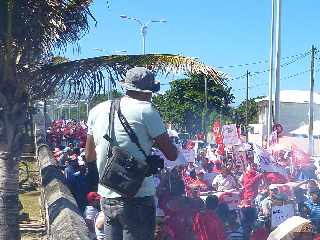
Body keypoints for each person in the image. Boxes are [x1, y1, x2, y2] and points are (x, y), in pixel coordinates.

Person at [85, 67, 178, 240]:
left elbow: (89, 155)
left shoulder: (97, 110)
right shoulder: (147, 110)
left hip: (107, 195)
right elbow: (172, 154)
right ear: (147, 91)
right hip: (138, 196)